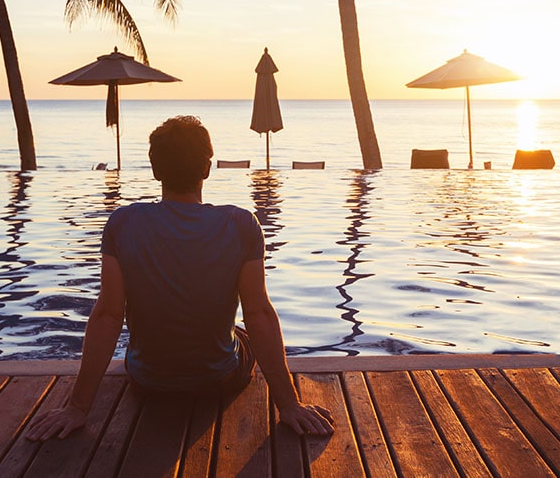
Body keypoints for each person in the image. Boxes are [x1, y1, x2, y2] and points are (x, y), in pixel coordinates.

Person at [26, 115, 333, 441]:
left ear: (155, 170)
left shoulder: (122, 223)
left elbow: (108, 315)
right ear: (207, 168)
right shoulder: (241, 224)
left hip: (148, 381)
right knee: (243, 330)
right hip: (218, 380)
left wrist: (77, 408)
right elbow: (258, 313)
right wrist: (289, 405)